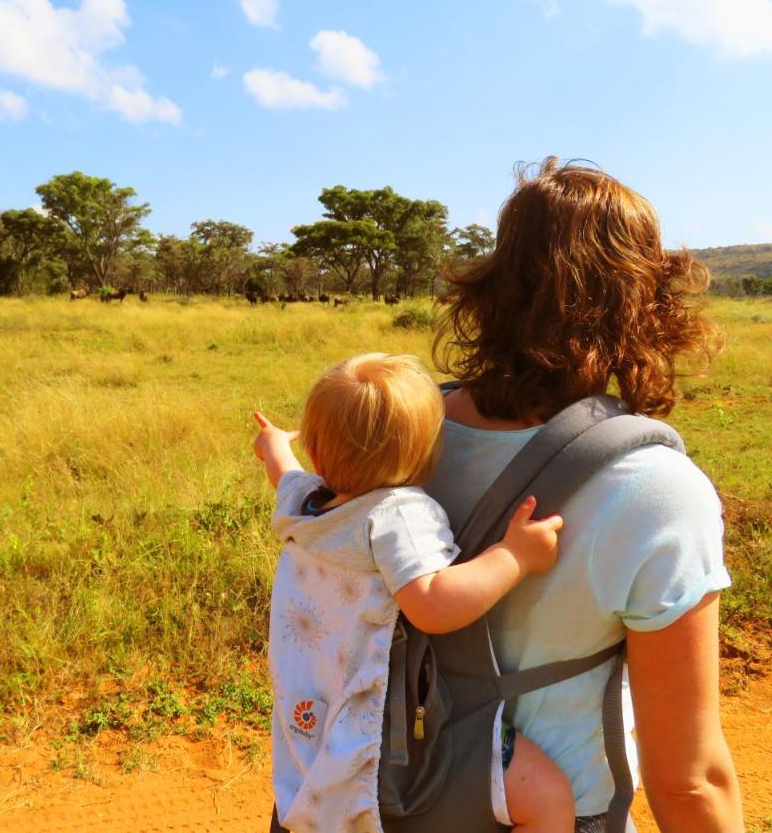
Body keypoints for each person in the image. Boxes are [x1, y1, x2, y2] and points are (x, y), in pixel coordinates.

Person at [427, 158, 743, 831]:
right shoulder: (656, 490)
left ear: (494, 285)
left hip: (385, 794)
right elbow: (688, 784)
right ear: (642, 298)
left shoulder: (399, 432)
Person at [253, 352, 574, 833]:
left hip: (311, 718)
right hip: (380, 731)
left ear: (317, 454)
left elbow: (281, 469)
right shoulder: (398, 514)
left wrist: (272, 443)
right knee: (547, 797)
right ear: (429, 454)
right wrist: (515, 556)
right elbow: (432, 604)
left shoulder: (303, 500)